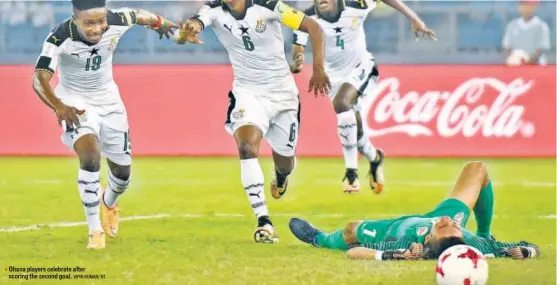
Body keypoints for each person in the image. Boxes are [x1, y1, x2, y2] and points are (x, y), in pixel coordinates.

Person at [174, 0, 330, 243]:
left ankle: (281, 176)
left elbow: (313, 27)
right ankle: (263, 221)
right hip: (248, 92)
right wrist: (186, 33)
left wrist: (318, 68)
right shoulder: (213, 10)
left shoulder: (269, 6)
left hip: (283, 96)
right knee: (247, 146)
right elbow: (193, 26)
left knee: (286, 162)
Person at [32, 0, 176, 249]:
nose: (97, 28)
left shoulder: (117, 19)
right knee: (90, 157)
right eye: (89, 23)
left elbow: (140, 16)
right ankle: (94, 230)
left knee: (122, 175)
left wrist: (161, 24)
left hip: (110, 103)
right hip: (75, 102)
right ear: (75, 19)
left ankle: (109, 201)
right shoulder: (59, 36)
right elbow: (39, 78)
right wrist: (59, 105)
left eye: (101, 21)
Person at [289, 0, 436, 193]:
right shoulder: (305, 18)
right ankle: (375, 158)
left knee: (342, 104)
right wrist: (298, 61)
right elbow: (298, 46)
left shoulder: (356, 5)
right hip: (332, 77)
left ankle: (351, 173)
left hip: (361, 68)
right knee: (354, 132)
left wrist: (414, 19)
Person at [289, 161, 540, 260]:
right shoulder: (473, 243)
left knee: (351, 229)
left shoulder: (408, 243)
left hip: (393, 229)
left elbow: (354, 252)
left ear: (429, 238)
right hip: (460, 236)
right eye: (452, 224)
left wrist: (392, 256)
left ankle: (318, 239)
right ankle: (487, 231)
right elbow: (530, 247)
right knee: (477, 169)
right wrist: (524, 252)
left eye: (442, 226)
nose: (445, 220)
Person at [503, 0, 551, 65]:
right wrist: (510, 61)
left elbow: (540, 49)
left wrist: (526, 65)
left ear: (535, 7)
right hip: (515, 67)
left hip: (537, 67)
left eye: (529, 5)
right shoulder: (512, 25)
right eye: (523, 4)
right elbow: (507, 47)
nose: (526, 7)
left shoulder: (541, 26)